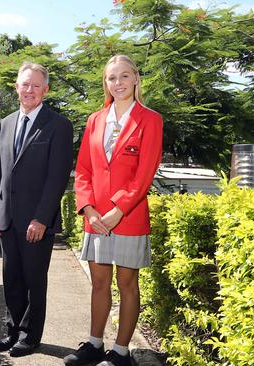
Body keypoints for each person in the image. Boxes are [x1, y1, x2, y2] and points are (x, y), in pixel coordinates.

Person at [63, 55, 163, 366]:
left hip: (129, 216)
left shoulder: (150, 120)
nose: (117, 83)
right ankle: (94, 345)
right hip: (96, 218)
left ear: (135, 78)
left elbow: (144, 173)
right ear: (105, 83)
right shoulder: (95, 120)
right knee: (99, 283)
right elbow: (83, 169)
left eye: (123, 76)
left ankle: (120, 353)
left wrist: (118, 209)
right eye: (111, 78)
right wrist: (89, 209)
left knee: (127, 283)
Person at [0, 62, 73, 358]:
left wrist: (42, 218)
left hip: (37, 220)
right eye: (25, 84)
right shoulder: (5, 123)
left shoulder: (58, 125)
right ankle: (12, 331)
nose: (30, 90)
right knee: (12, 279)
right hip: (7, 218)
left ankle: (30, 335)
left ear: (46, 90)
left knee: (35, 280)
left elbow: (57, 176)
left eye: (36, 85)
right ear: (16, 87)